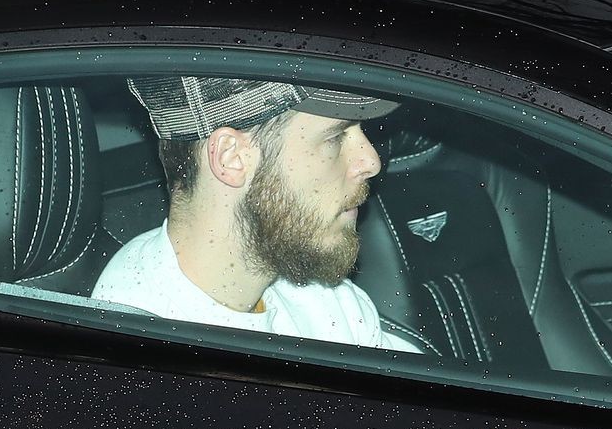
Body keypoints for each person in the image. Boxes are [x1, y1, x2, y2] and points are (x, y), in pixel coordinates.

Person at [93, 75, 417, 351]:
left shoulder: (324, 299)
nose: (370, 161)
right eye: (335, 137)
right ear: (232, 158)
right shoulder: (138, 345)